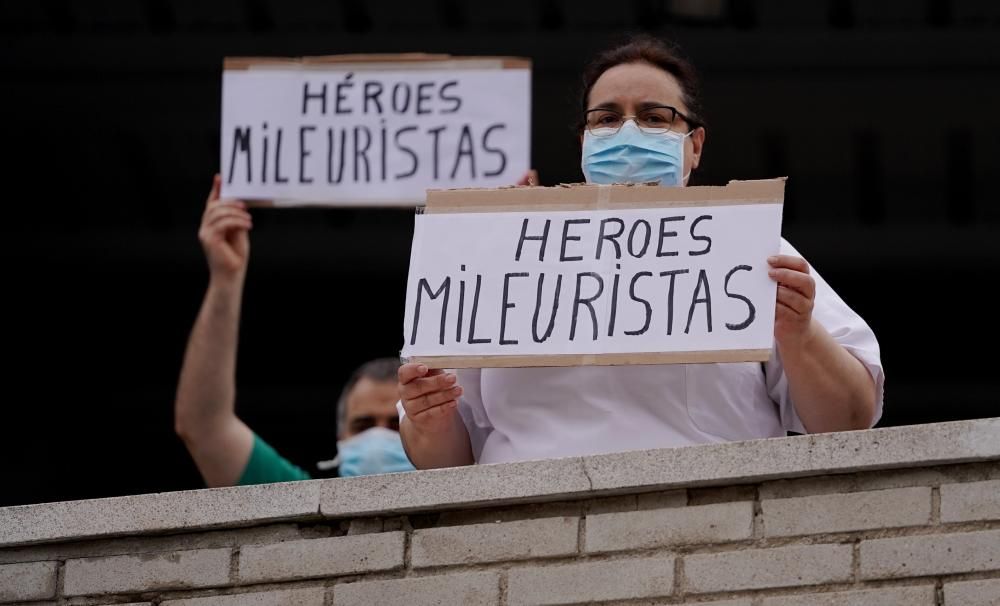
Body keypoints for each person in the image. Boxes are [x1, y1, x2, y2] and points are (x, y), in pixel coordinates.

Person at [397, 35, 884, 468]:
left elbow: (847, 421)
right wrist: (430, 417)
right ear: (584, 142)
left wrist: (797, 333)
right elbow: (440, 460)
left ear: (694, 146)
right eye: (607, 118)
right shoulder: (498, 255)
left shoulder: (755, 250)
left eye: (654, 117)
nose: (627, 132)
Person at [174, 176, 413, 486]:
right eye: (363, 425)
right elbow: (203, 426)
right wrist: (225, 278)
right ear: (341, 438)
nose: (379, 437)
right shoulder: (299, 508)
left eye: (396, 426)